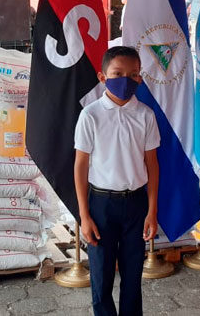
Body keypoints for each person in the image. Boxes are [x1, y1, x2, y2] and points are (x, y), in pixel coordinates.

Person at [73, 46, 160, 316]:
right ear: (102, 77)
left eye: (133, 74)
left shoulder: (145, 114)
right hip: (101, 205)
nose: (125, 80)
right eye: (117, 73)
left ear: (140, 78)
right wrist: (84, 216)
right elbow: (80, 166)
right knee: (101, 275)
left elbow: (152, 165)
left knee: (133, 275)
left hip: (135, 205)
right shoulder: (91, 115)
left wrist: (152, 211)